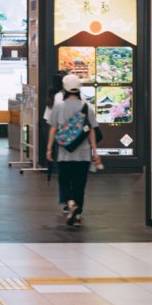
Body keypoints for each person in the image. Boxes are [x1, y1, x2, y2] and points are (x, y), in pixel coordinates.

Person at [46, 74, 101, 228]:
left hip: (65, 152)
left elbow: (53, 128)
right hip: (83, 154)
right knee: (80, 183)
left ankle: (70, 203)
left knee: (64, 181)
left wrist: (49, 148)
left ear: (64, 88)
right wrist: (95, 152)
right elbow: (91, 130)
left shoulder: (59, 107)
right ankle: (77, 215)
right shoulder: (86, 107)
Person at [43, 72, 67, 210]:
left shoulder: (54, 96)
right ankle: (71, 200)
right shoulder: (60, 98)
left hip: (57, 131)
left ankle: (66, 200)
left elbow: (50, 123)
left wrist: (49, 148)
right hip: (66, 134)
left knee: (63, 168)